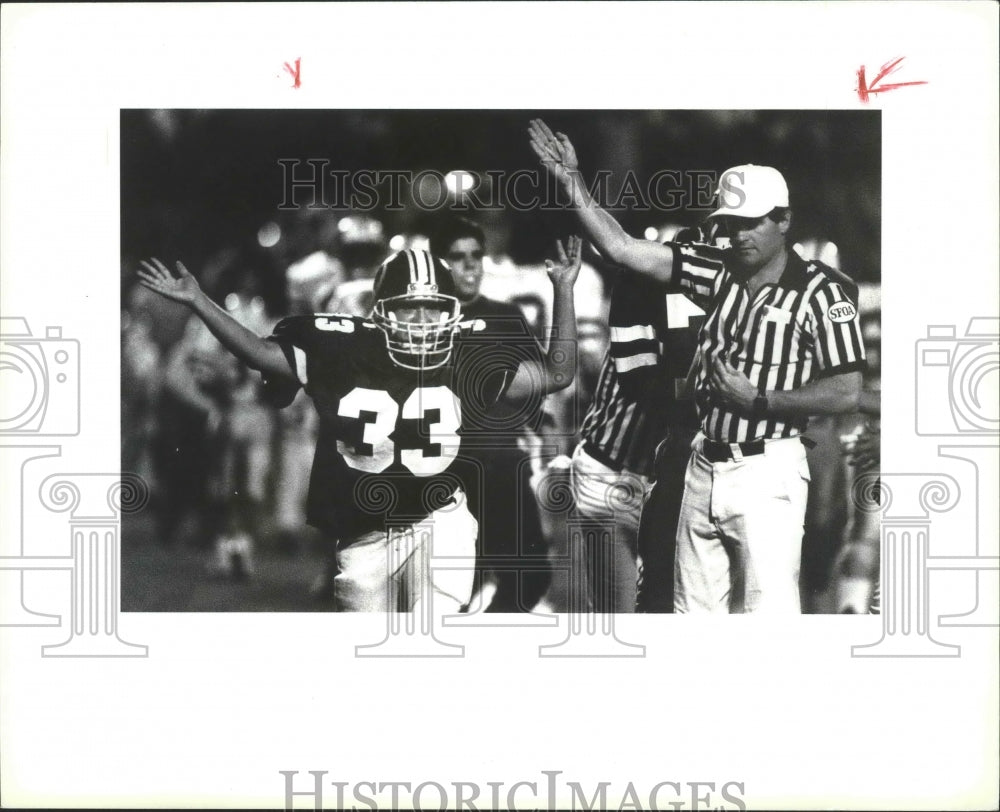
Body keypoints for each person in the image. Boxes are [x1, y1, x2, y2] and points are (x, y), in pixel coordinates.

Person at [529, 118, 867, 613]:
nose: (738, 234)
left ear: (784, 220)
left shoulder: (823, 290)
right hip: (700, 464)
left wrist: (759, 398)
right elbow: (620, 246)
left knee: (765, 615)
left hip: (766, 463)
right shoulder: (717, 270)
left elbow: (845, 390)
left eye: (751, 221)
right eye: (731, 222)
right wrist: (571, 183)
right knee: (689, 618)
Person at [137, 244, 581, 613]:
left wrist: (564, 290)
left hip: (441, 518)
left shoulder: (468, 355)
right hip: (364, 533)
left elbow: (557, 374)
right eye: (411, 309)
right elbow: (257, 352)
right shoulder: (345, 348)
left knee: (437, 636)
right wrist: (199, 301)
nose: (423, 322)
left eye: (433, 309)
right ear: (383, 314)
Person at [430, 216, 550, 612]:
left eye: (476, 256)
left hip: (500, 464)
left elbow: (541, 381)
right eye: (457, 257)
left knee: (532, 576)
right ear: (437, 264)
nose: (470, 265)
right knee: (453, 585)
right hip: (444, 469)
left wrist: (536, 422)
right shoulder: (420, 319)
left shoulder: (506, 316)